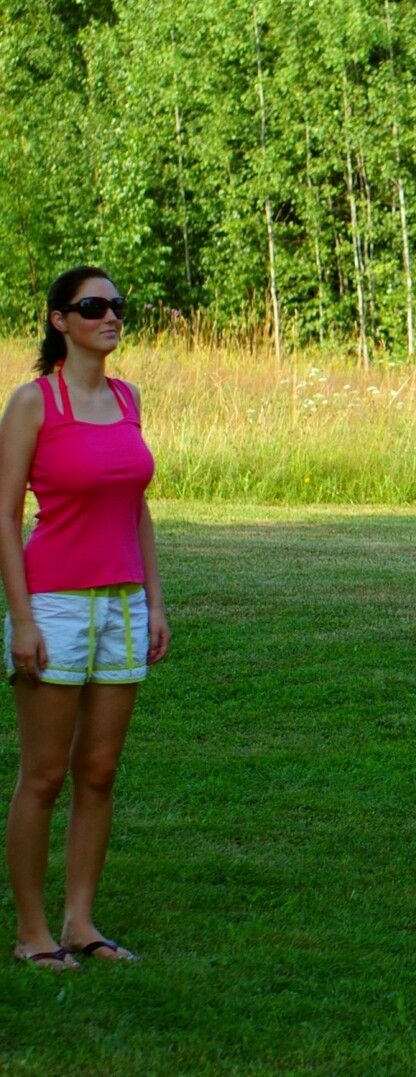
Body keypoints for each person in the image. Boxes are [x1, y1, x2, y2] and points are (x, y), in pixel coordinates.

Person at [2, 267, 169, 969]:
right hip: (55, 604)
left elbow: (137, 508)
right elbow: (5, 515)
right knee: (44, 774)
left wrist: (155, 601)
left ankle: (80, 924)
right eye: (93, 306)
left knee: (98, 772)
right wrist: (22, 620)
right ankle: (32, 932)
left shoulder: (127, 398)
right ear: (59, 320)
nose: (110, 316)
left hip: (122, 605)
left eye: (116, 306)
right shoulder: (34, 402)